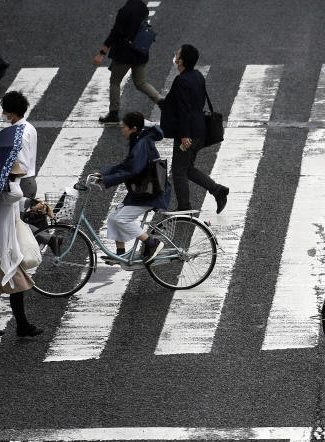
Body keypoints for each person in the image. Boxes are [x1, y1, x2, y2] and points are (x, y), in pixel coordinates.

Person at [160, 44, 229, 213]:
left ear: (181, 61)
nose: (175, 55)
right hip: (199, 131)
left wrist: (184, 135)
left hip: (188, 134)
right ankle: (217, 190)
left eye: (178, 54)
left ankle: (184, 207)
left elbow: (184, 110)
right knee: (186, 168)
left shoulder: (182, 80)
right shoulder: (197, 76)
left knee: (178, 170)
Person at [0, 161, 41, 338]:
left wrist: (32, 202)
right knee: (18, 286)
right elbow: (17, 194)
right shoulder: (5, 193)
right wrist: (7, 178)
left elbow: (18, 200)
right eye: (15, 176)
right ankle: (23, 326)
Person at [95, 111, 169, 264]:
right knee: (114, 217)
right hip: (142, 190)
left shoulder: (141, 144)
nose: (122, 131)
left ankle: (152, 243)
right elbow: (125, 164)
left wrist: (107, 180)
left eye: (124, 128)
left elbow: (131, 170)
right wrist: (103, 174)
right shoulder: (139, 139)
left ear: (134, 128)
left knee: (121, 219)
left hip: (150, 192)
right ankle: (120, 254)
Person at [94, 0, 162, 125]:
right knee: (141, 82)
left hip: (124, 54)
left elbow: (115, 32)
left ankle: (114, 113)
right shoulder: (143, 7)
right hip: (140, 52)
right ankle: (161, 101)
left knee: (115, 81)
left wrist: (102, 52)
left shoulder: (124, 11)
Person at [0, 91, 37, 202]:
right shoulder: (29, 127)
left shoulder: (19, 135)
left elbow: (22, 165)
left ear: (13, 113)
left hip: (21, 185)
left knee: (16, 219)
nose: (3, 113)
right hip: (29, 182)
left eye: (5, 111)